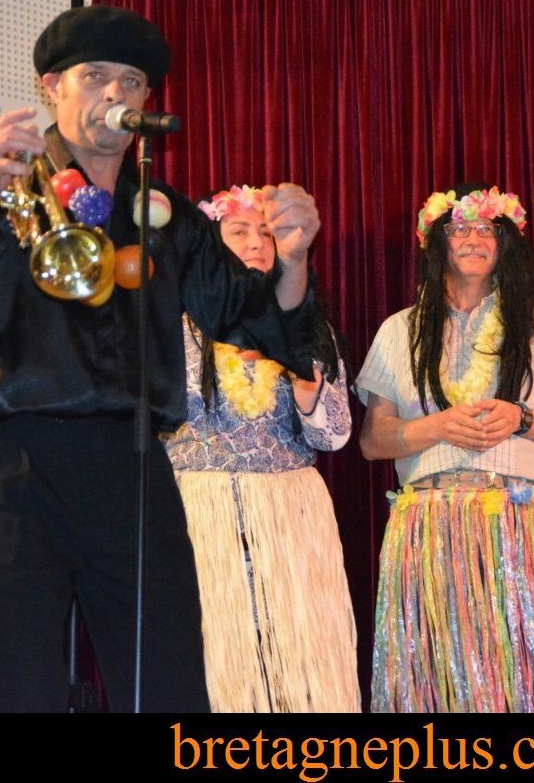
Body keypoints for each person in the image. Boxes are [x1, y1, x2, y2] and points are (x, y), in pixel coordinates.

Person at [0, 5, 321, 712]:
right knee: (19, 682)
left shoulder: (161, 210)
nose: (114, 93)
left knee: (166, 677)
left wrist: (293, 257)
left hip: (129, 459)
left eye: (131, 81)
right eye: (95, 76)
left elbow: (260, 321)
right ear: (52, 87)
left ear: (147, 100)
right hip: (12, 459)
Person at [356, 183, 534, 713]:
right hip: (429, 525)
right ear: (436, 243)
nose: (473, 239)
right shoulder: (399, 330)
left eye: (487, 228)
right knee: (437, 680)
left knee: (530, 679)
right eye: (459, 228)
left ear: (503, 242)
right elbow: (373, 440)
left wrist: (523, 418)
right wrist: (438, 427)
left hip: (521, 523)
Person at [163, 185, 360, 712]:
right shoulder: (172, 327)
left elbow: (335, 436)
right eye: (239, 231)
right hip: (199, 518)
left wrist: (308, 389)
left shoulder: (308, 329)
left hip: (289, 516)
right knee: (214, 665)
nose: (256, 243)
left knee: (297, 666)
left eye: (267, 233)